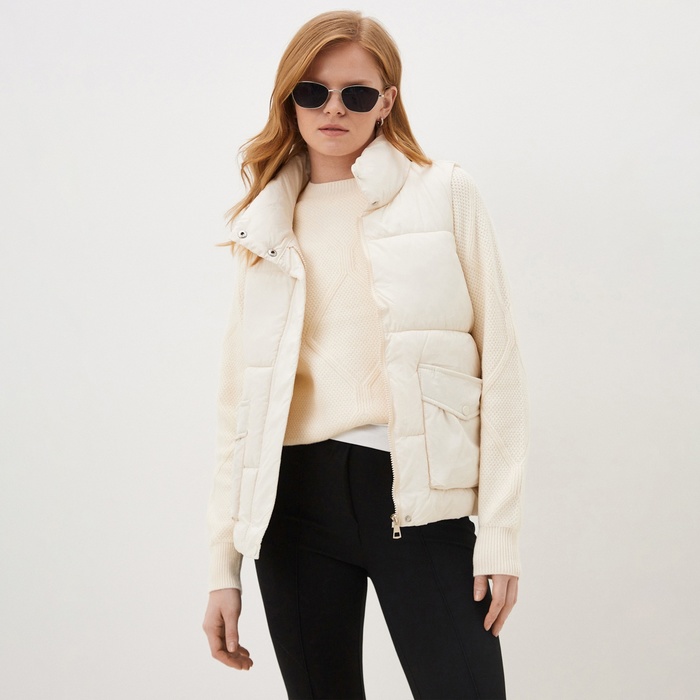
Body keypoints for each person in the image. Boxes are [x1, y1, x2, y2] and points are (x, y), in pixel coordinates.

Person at [202, 10, 529, 699]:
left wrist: (499, 532)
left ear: (386, 101)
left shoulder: (445, 193)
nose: (333, 109)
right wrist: (221, 568)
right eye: (312, 91)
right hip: (291, 505)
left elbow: (500, 365)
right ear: (289, 99)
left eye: (355, 93)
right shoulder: (263, 225)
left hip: (415, 499)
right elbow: (240, 406)